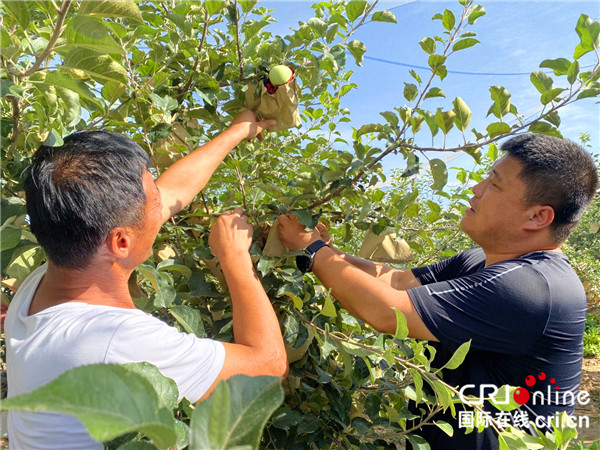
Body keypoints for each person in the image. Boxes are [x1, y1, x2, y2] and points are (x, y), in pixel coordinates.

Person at [277, 133, 599, 449]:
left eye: (495, 184)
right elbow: (398, 281)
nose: (476, 189)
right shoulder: (483, 260)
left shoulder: (531, 285)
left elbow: (388, 311)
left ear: (538, 216)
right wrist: (331, 252)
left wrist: (313, 250)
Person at [4, 110, 288, 449]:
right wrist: (235, 258)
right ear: (120, 242)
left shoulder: (39, 284)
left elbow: (169, 194)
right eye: (153, 198)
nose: (162, 202)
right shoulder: (116, 338)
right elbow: (268, 367)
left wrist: (237, 131)